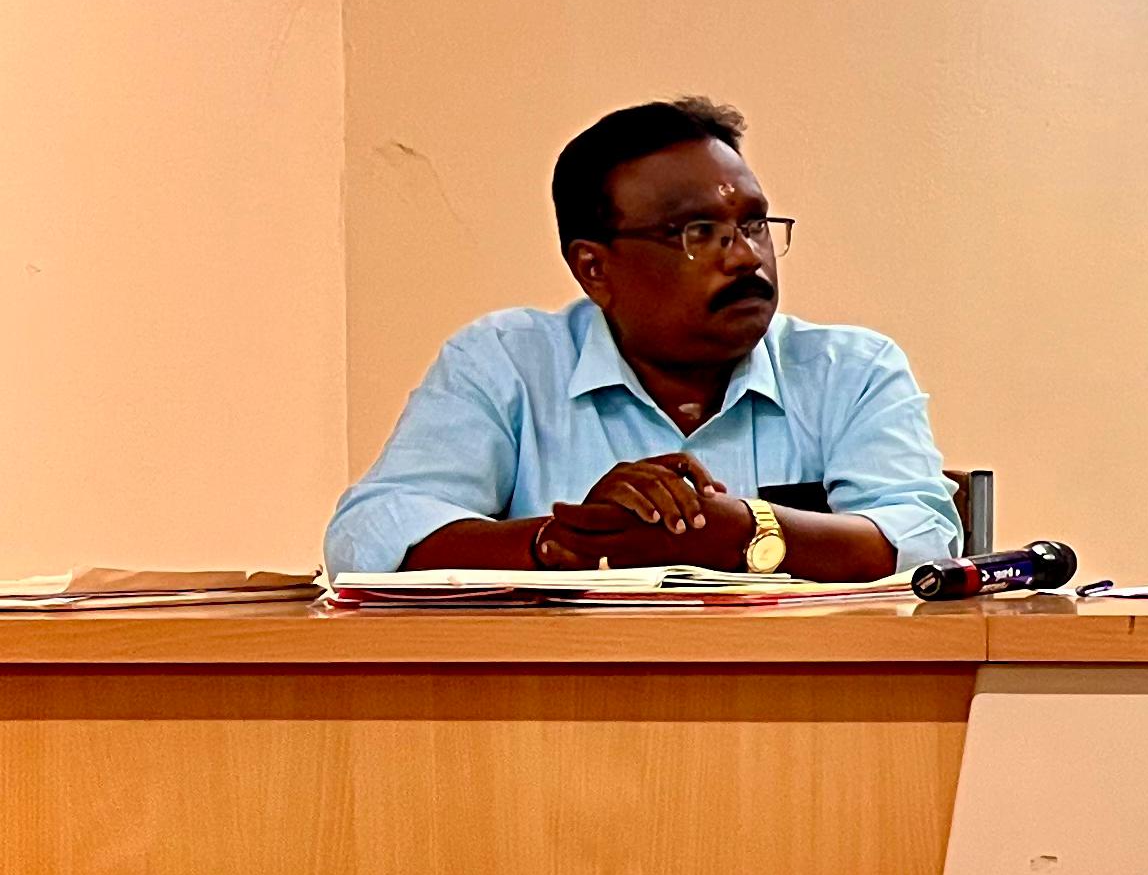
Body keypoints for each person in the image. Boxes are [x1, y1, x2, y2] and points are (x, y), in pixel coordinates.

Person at [325, 99, 960, 578]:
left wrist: (748, 531)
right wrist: (562, 543)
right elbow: (370, 535)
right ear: (594, 268)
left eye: (753, 224)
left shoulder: (850, 370)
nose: (745, 256)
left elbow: (923, 538)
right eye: (697, 232)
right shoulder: (507, 363)